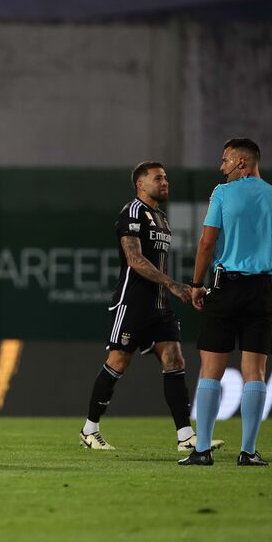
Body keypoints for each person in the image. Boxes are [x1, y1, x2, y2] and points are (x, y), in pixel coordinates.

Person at [79, 161, 223, 452]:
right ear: (140, 184)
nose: (165, 182)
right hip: (132, 303)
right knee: (118, 362)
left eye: (166, 177)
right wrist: (172, 284)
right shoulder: (132, 212)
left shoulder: (161, 218)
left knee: (175, 359)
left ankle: (185, 436)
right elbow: (134, 260)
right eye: (158, 178)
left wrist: (168, 289)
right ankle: (89, 430)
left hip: (159, 306)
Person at [179, 138, 272, 466]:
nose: (221, 167)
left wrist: (197, 284)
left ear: (241, 163)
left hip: (225, 288)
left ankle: (202, 450)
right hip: (261, 291)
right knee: (254, 373)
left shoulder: (223, 193)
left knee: (210, 372)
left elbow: (206, 242)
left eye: (225, 160)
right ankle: (248, 451)